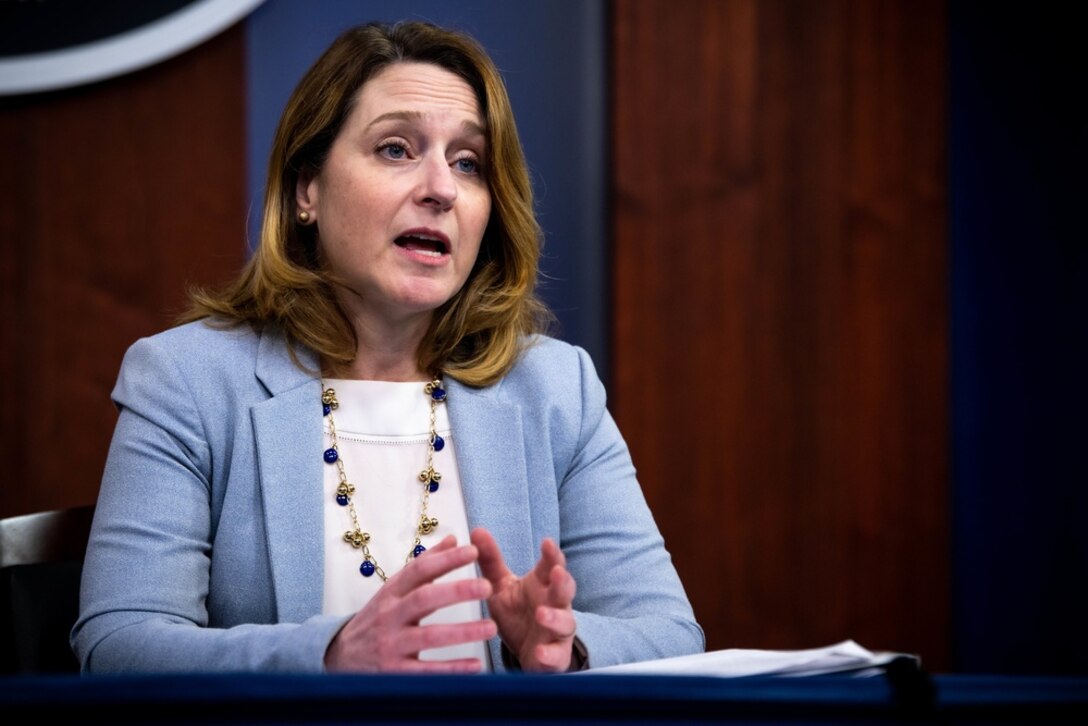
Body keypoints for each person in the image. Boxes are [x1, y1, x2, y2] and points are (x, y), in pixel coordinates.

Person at [71, 20, 702, 674]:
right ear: (305, 190)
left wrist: (560, 647)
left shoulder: (555, 389)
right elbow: (119, 645)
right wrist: (331, 655)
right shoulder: (185, 381)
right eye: (396, 149)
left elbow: (671, 634)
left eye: (468, 163)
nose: (440, 188)